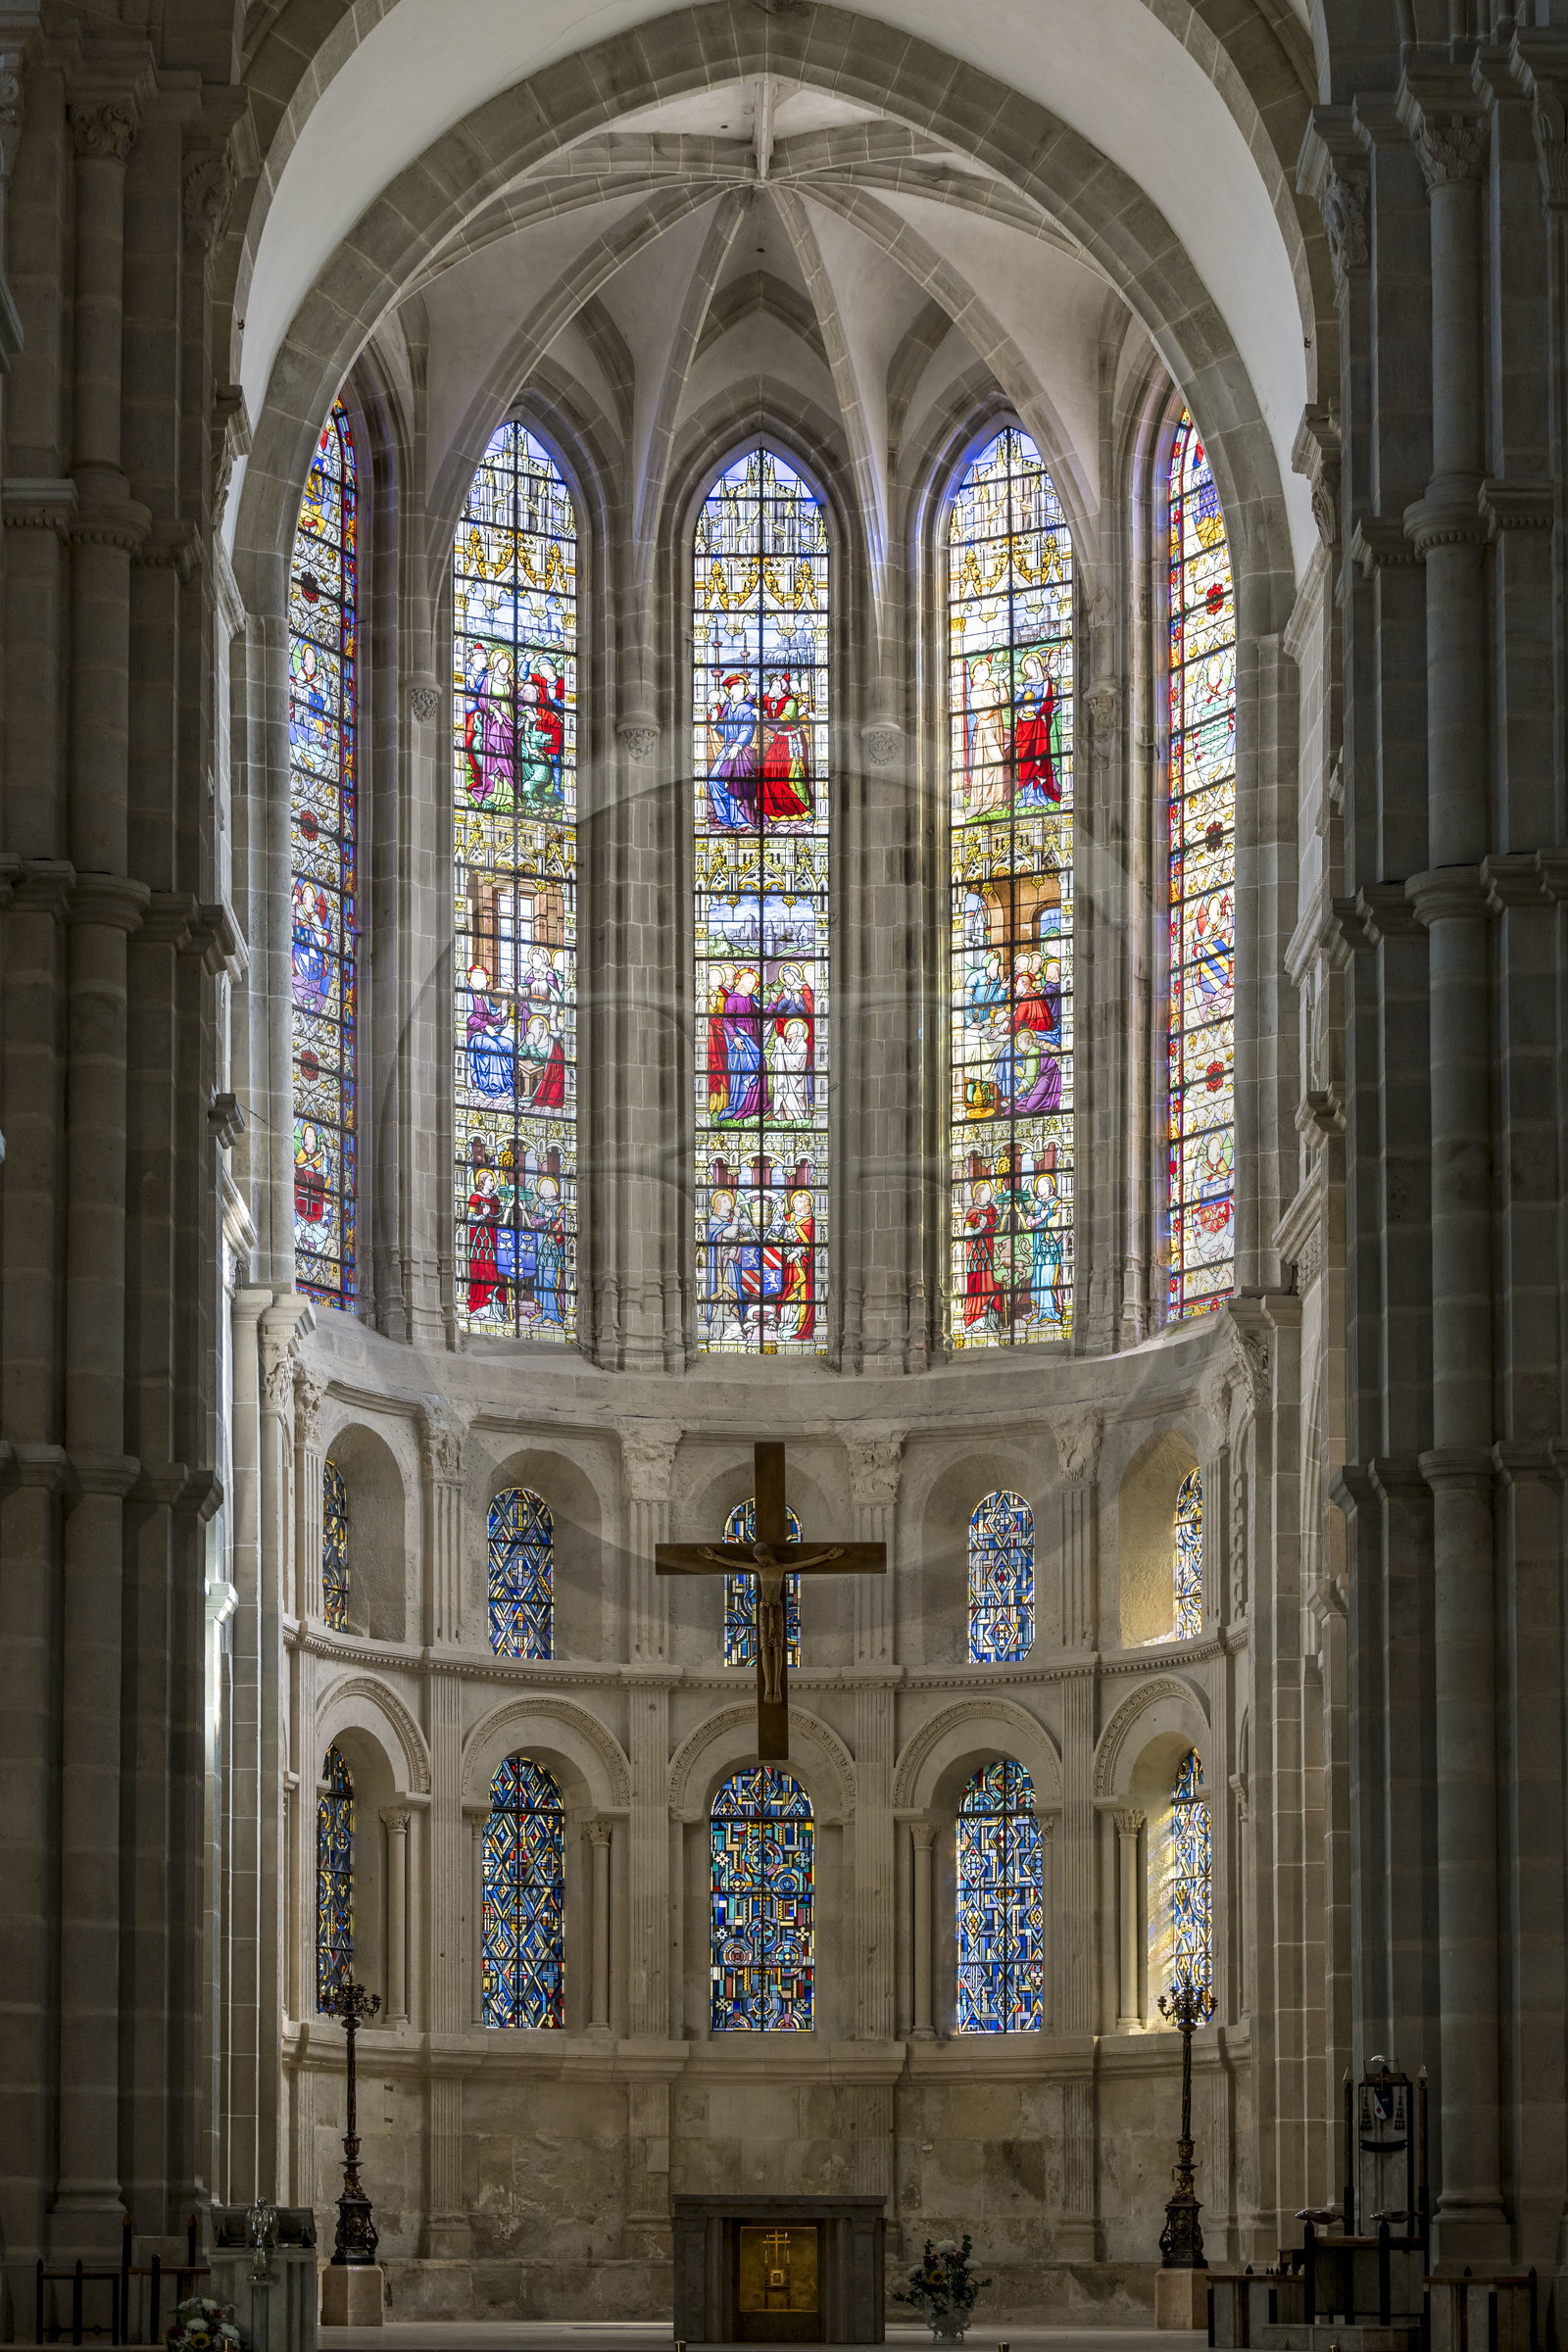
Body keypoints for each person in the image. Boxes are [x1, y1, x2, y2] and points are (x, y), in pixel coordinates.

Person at [464, 645, 516, 810]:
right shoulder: (488, 679)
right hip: (493, 723)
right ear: (495, 664)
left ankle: (508, 793)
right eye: (501, 664)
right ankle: (492, 793)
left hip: (508, 723)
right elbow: (482, 701)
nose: (505, 667)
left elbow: (514, 702)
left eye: (507, 665)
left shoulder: (508, 682)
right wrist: (496, 711)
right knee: (495, 755)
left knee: (508, 756)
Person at [706, 672, 760, 829]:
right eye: (738, 688)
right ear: (730, 691)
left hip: (740, 753)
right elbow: (728, 730)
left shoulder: (747, 708)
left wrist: (737, 746)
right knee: (713, 779)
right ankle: (724, 817)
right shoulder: (730, 707)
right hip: (727, 749)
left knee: (732, 783)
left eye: (743, 687)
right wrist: (716, 724)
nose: (742, 690)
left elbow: (746, 730)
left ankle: (740, 820)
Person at [760, 670, 812, 821]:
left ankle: (803, 810)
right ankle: (773, 809)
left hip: (791, 743)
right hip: (778, 742)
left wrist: (760, 718)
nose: (773, 688)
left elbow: (779, 725)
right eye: (772, 685)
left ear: (783, 688)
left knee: (794, 776)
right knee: (766, 771)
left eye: (776, 685)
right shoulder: (771, 700)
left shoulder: (790, 703)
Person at [1014, 650, 1062, 808]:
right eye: (1027, 668)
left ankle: (1040, 796)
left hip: (1040, 727)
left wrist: (1034, 709)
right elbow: (1015, 705)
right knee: (1025, 760)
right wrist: (1021, 707)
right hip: (1025, 729)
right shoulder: (1025, 685)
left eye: (1031, 667)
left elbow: (1049, 704)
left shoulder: (1047, 684)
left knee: (1039, 760)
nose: (1029, 671)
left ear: (1038, 666)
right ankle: (1027, 796)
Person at [716, 967, 763, 1124]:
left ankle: (755, 1106)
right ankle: (740, 1106)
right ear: (743, 983)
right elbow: (727, 1021)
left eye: (754, 983)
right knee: (744, 1070)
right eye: (751, 983)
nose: (753, 986)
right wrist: (735, 1037)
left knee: (759, 1066)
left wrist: (773, 1003)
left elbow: (764, 1014)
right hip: (741, 1042)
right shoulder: (733, 999)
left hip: (753, 1039)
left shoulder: (751, 999)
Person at [466, 964, 514, 1101]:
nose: (481, 980)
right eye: (476, 977)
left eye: (482, 977)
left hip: (486, 1034)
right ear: (470, 980)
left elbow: (490, 1018)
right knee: (492, 1047)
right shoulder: (468, 994)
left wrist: (502, 1013)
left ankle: (504, 1084)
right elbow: (469, 1019)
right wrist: (485, 1026)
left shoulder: (484, 997)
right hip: (473, 1036)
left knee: (507, 1044)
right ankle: (489, 1086)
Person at [962, 1178, 1004, 1336]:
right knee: (980, 1286)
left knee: (994, 1285)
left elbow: (998, 1226)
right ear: (979, 1194)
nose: (990, 1195)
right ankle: (977, 1321)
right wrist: (979, 1228)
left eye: (990, 1192)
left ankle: (992, 1321)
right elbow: (967, 1236)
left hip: (992, 1253)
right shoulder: (972, 1212)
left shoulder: (991, 1209)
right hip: (978, 1257)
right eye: (987, 1192)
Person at [466, 1160, 507, 1321]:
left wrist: (504, 1208)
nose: (493, 1182)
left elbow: (500, 1220)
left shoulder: (495, 1199)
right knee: (482, 1272)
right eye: (490, 1179)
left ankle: (496, 1310)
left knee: (497, 1274)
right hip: (480, 1243)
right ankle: (480, 1308)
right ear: (482, 1182)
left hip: (495, 1241)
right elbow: (469, 1220)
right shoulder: (475, 1197)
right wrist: (483, 1215)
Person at [292, 877, 332, 1010]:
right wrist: (293, 905)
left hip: (314, 957)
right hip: (300, 952)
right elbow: (292, 924)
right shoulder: (298, 910)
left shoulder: (315, 916)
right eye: (307, 895)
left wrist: (324, 939)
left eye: (311, 896)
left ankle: (313, 995)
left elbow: (323, 933)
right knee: (297, 974)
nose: (309, 899)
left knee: (315, 975)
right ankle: (302, 996)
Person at [767, 1018, 812, 1125]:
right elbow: (775, 1059)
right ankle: (786, 1120)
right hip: (785, 1079)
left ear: (797, 1034)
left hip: (796, 1082)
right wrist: (779, 1047)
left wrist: (783, 1047)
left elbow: (795, 1064)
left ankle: (794, 1120)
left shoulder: (803, 1046)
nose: (787, 1033)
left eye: (789, 1032)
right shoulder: (787, 1045)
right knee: (783, 1095)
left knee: (790, 1100)